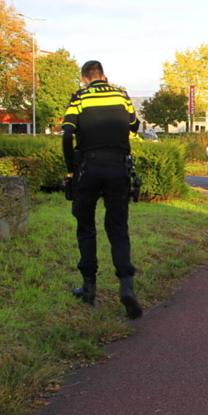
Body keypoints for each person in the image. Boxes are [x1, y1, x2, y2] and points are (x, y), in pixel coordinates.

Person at [61, 60, 143, 319]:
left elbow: (66, 135)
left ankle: (88, 289)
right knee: (118, 228)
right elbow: (134, 125)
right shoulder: (121, 94)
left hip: (88, 168)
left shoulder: (79, 97)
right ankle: (126, 286)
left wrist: (70, 171)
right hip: (119, 167)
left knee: (86, 226)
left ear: (85, 78)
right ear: (103, 77)